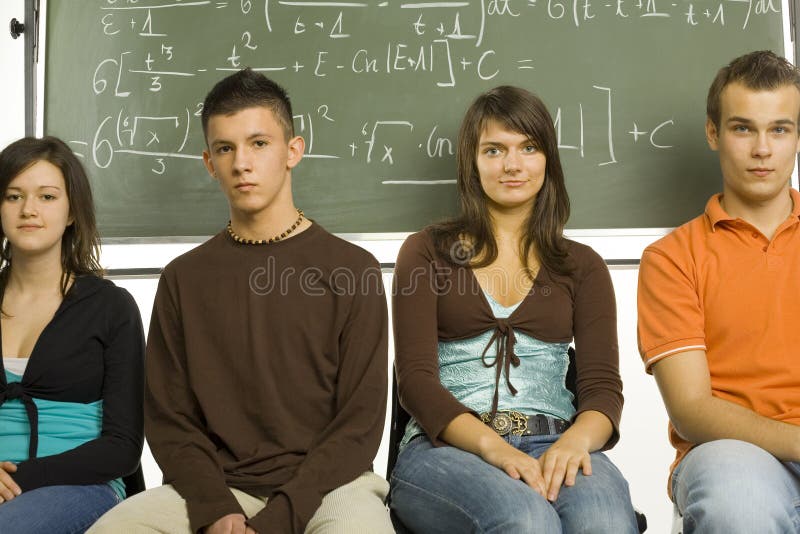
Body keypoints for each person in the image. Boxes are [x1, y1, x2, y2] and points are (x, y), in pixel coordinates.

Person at [89, 68, 392, 534]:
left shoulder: (354, 270)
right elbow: (170, 421)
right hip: (216, 487)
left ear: (293, 151)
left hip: (331, 488)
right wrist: (216, 507)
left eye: (258, 144)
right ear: (209, 162)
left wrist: (282, 516)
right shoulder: (182, 279)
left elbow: (360, 424)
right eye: (225, 148)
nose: (241, 163)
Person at [389, 85, 637, 533]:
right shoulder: (426, 251)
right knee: (526, 519)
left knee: (603, 520)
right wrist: (495, 449)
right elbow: (415, 383)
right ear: (473, 161)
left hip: (557, 439)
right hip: (444, 451)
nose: (512, 164)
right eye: (494, 150)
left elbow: (603, 391)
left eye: (528, 147)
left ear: (548, 160)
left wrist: (575, 443)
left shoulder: (583, 266)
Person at [637, 50, 800, 533]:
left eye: (780, 129)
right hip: (733, 456)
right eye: (743, 128)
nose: (763, 150)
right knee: (739, 506)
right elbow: (692, 409)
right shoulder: (672, 258)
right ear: (713, 133)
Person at [0, 136, 145, 534]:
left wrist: (20, 479)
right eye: (13, 196)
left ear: (70, 213)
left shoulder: (112, 308)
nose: (28, 209)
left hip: (81, 487)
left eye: (47, 197)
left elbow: (124, 448)